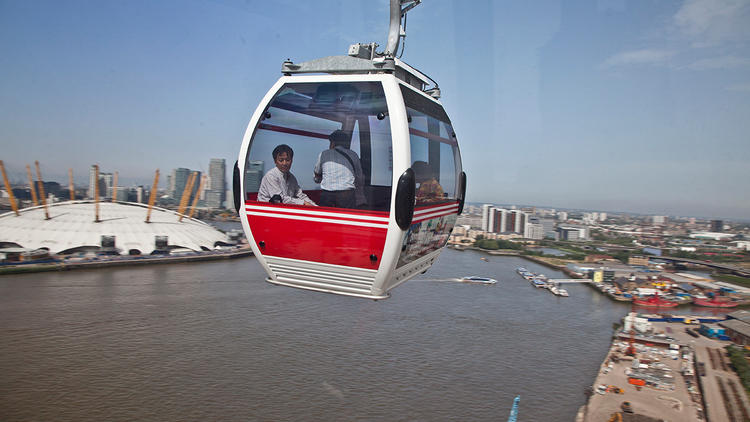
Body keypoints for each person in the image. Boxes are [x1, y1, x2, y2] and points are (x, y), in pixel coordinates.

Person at [313, 130, 366, 208]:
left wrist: (318, 179)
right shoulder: (353, 155)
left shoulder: (324, 154)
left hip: (327, 195)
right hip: (347, 195)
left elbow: (317, 174)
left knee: (326, 218)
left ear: (333, 143)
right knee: (346, 217)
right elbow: (359, 178)